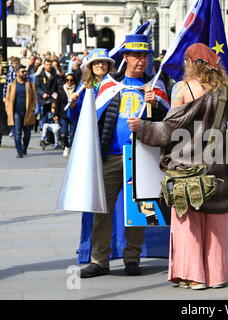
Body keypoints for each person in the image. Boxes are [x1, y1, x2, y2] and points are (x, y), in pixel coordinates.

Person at [128, 43, 228, 289]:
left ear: (191, 63)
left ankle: (194, 277)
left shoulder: (182, 88)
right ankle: (216, 276)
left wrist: (141, 127)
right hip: (219, 168)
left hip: (187, 169)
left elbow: (168, 130)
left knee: (187, 225)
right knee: (216, 224)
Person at [72, 37, 169, 278]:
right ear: (125, 57)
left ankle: (132, 257)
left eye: (145, 56)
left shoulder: (156, 85)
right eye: (136, 56)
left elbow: (168, 121)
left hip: (142, 156)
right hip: (112, 155)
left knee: (139, 209)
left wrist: (154, 104)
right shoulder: (109, 84)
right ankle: (99, 259)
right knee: (102, 209)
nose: (141, 61)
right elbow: (91, 117)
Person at [5, 65, 36, 158]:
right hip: (16, 113)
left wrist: (33, 108)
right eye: (23, 72)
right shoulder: (12, 85)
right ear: (17, 73)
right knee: (17, 134)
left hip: (27, 112)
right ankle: (19, 151)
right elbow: (7, 98)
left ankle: (24, 148)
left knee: (27, 134)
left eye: (25, 71)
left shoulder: (30, 84)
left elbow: (34, 98)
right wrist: (8, 109)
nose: (25, 73)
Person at [36, 58, 59, 131]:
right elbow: (37, 87)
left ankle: (50, 135)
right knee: (44, 117)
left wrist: (55, 93)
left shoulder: (55, 75)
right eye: (47, 65)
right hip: (43, 100)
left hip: (52, 99)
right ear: (44, 66)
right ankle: (44, 134)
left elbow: (58, 87)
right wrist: (42, 94)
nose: (48, 66)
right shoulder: (40, 76)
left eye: (50, 65)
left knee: (52, 117)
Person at [56, 74, 77, 156]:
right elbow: (58, 102)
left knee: (72, 134)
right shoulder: (61, 89)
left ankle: (72, 149)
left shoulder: (77, 89)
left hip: (74, 114)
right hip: (63, 114)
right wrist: (55, 114)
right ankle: (66, 146)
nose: (69, 82)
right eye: (67, 80)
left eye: (71, 80)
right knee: (63, 133)